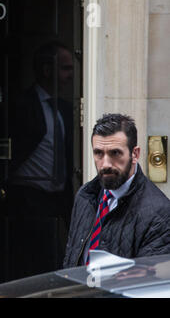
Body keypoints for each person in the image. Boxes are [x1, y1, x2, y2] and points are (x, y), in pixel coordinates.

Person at [63, 113, 170, 268]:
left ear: (135, 154)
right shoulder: (85, 196)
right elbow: (71, 260)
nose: (105, 164)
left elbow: (147, 284)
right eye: (98, 153)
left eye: (115, 153)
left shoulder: (160, 214)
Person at [5, 41, 74, 279]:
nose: (70, 76)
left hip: (58, 201)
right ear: (47, 70)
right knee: (32, 268)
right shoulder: (20, 106)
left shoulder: (66, 109)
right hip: (28, 200)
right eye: (65, 68)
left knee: (58, 265)